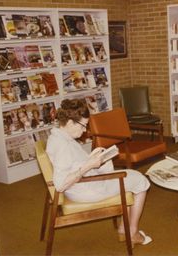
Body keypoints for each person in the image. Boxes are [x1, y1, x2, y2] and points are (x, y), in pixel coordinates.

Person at [46, 99, 152, 246]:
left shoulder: (58, 138)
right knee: (141, 181)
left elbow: (72, 164)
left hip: (85, 183)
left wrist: (92, 157)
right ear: (70, 123)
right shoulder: (63, 146)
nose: (85, 130)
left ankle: (125, 228)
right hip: (87, 190)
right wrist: (89, 165)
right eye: (83, 125)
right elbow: (60, 185)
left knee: (129, 177)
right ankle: (131, 232)